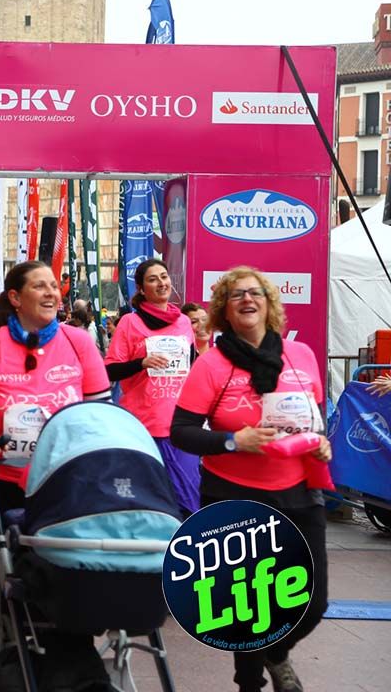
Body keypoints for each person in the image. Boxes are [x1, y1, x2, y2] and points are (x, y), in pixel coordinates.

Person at [171, 266, 331, 692]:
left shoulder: (301, 356)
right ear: (224, 309)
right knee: (250, 605)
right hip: (234, 494)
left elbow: (314, 420)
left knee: (314, 604)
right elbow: (181, 432)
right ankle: (248, 682)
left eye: (255, 292)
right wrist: (233, 440)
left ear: (269, 302)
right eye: (236, 294)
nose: (247, 299)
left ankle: (277, 655)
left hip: (298, 488)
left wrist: (321, 443)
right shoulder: (213, 364)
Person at [0, 260, 110, 662]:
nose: (50, 293)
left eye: (54, 286)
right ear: (15, 298)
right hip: (2, 482)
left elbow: (101, 411)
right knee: (5, 575)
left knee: (64, 571)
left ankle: (70, 662)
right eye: (39, 286)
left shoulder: (78, 341)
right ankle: (6, 664)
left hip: (65, 483)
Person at [105, 259, 201, 515]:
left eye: (164, 276)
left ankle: (186, 549)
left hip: (181, 425)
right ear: (140, 288)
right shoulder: (130, 323)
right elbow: (109, 370)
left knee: (188, 499)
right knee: (145, 500)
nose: (161, 283)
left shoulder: (182, 322)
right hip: (143, 426)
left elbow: (192, 365)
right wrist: (142, 363)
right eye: (153, 279)